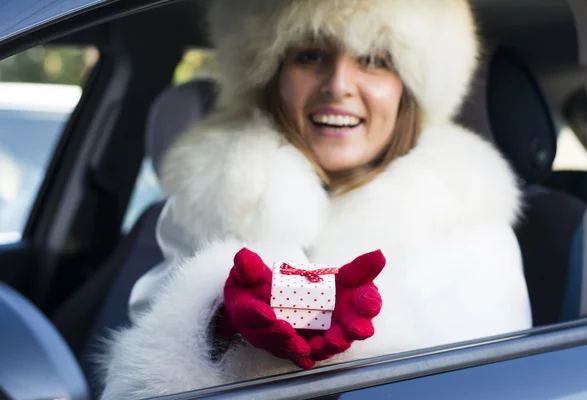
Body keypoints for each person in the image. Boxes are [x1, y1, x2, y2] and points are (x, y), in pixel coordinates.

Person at [99, 0, 533, 398]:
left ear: (408, 89)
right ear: (272, 74)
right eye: (310, 55)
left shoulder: (471, 227)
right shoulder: (210, 200)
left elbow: (497, 388)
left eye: (374, 60)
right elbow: (135, 384)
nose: (338, 84)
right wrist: (213, 329)